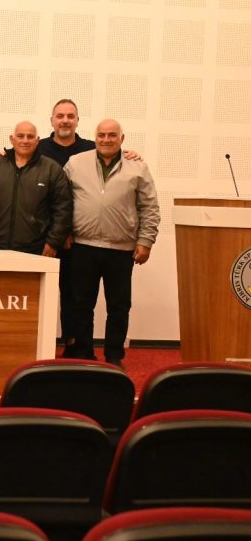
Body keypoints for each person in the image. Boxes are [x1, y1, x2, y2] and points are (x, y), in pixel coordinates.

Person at [64, 119, 160, 368]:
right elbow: (61, 200)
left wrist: (146, 241)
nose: (106, 140)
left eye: (112, 135)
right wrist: (63, 232)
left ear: (121, 138)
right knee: (81, 303)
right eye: (102, 135)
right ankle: (83, 352)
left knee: (119, 306)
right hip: (83, 246)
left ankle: (114, 356)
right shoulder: (76, 163)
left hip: (121, 249)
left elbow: (149, 207)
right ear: (95, 137)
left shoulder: (137, 167)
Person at [0, 121, 71, 256]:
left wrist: (53, 243)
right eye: (20, 136)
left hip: (36, 250)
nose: (25, 141)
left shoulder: (52, 169)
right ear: (12, 139)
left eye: (30, 136)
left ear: (37, 140)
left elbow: (63, 210)